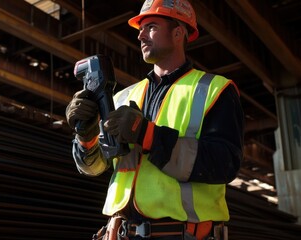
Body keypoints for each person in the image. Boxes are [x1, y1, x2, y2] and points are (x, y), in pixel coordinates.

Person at [65, 0, 244, 239]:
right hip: (120, 233)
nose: (140, 36)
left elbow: (225, 163)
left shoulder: (214, 90)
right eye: (140, 29)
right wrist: (85, 135)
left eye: (151, 27)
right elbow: (93, 167)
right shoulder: (122, 97)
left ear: (178, 32)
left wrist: (147, 134)